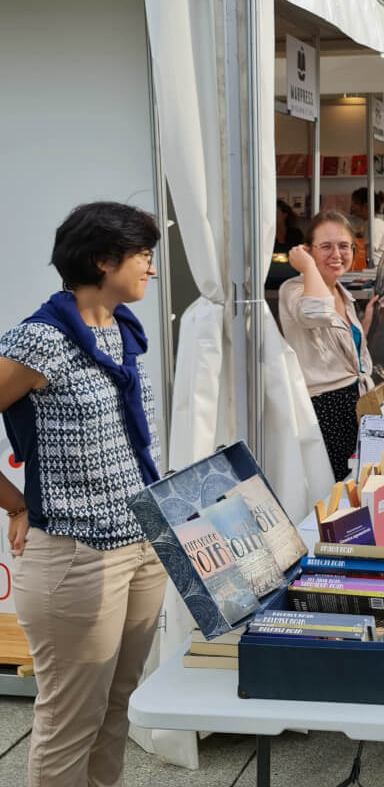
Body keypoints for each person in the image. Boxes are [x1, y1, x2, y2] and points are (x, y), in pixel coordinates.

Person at [0, 201, 167, 785]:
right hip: (77, 555)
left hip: (143, 545)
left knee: (115, 708)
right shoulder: (39, 340)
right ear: (102, 260)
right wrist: (18, 502)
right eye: (143, 255)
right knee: (70, 722)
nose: (151, 267)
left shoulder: (119, 330)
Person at [281, 211, 378, 481]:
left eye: (344, 246)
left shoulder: (342, 293)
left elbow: (345, 355)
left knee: (361, 488)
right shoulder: (294, 288)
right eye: (325, 246)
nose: (336, 254)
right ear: (308, 250)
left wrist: (366, 323)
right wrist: (308, 268)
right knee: (337, 493)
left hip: (356, 404)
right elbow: (316, 312)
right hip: (326, 409)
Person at [350, 187, 384, 267]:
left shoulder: (375, 224)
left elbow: (370, 253)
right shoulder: (369, 223)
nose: (352, 208)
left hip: (374, 272)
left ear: (366, 206)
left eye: (355, 203)